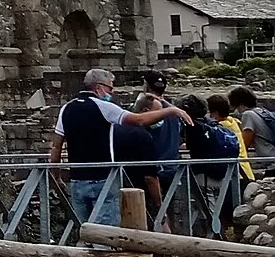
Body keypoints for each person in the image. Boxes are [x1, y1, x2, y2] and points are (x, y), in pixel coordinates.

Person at [49, 68, 197, 229]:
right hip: (104, 178)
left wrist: (56, 176)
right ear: (99, 87)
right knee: (106, 234)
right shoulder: (103, 106)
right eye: (110, 88)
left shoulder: (66, 108)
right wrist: (170, 110)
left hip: (77, 179)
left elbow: (56, 147)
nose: (111, 93)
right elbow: (138, 120)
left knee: (84, 231)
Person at [207, 94, 255, 181]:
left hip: (237, 175)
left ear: (216, 114)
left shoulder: (220, 128)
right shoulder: (233, 122)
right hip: (246, 172)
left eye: (210, 113)